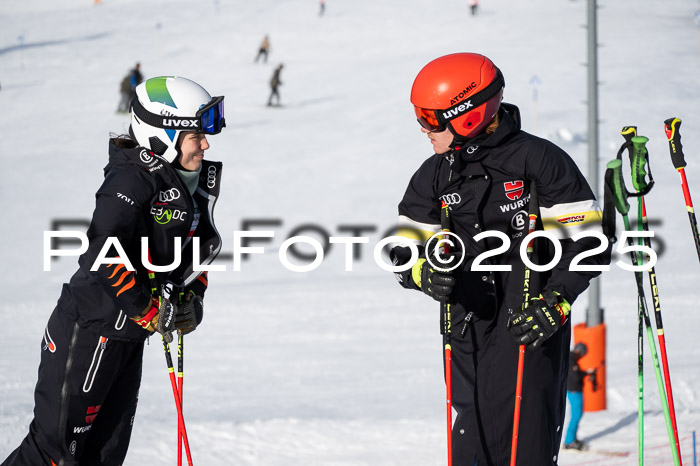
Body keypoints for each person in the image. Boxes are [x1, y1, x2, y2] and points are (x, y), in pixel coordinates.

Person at [389, 53, 610, 464]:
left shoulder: (539, 161)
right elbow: (402, 249)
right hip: (466, 328)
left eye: (429, 117)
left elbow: (588, 244)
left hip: (528, 323)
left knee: (523, 445)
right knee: (472, 442)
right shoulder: (434, 174)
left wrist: (557, 302)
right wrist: (423, 273)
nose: (422, 128)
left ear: (466, 116)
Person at [2, 76, 226, 466]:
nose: (205, 144)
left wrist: (192, 299)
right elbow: (105, 246)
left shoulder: (188, 184)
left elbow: (194, 248)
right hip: (91, 330)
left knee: (103, 458)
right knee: (53, 457)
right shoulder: (130, 178)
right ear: (164, 136)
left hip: (128, 338)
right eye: (195, 134)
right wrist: (146, 308)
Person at [564, 342, 596, 450]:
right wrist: (586, 373)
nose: (582, 356)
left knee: (577, 415)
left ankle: (572, 438)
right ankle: (569, 441)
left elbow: (576, 374)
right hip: (574, 391)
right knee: (576, 416)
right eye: (582, 353)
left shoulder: (571, 359)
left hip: (574, 391)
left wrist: (586, 372)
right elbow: (575, 377)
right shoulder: (571, 359)